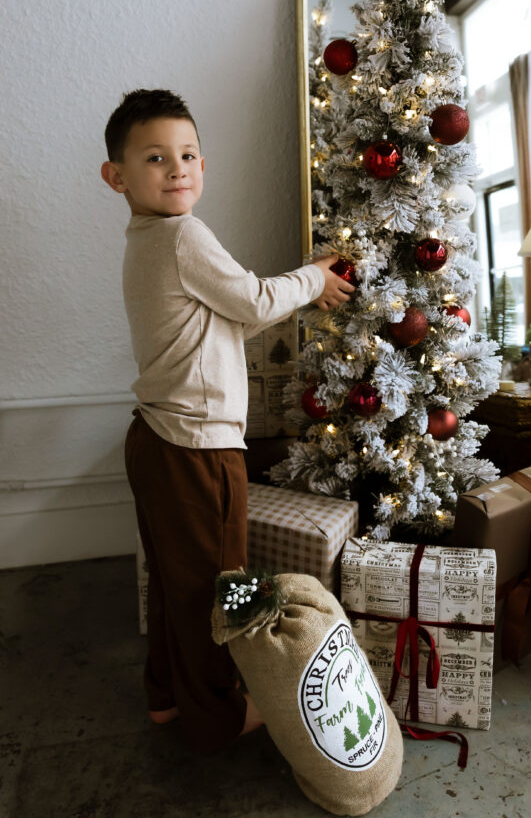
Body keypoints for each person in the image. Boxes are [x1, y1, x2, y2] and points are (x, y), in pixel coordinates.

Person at [101, 88, 354, 753]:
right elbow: (252, 296)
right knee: (222, 586)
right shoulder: (183, 234)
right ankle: (216, 714)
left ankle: (166, 697)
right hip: (196, 450)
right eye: (156, 157)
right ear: (117, 176)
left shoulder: (149, 238)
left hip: (154, 437)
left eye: (186, 154)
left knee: (174, 583)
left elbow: (239, 315)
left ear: (203, 166)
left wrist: (289, 293)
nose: (177, 168)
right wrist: (313, 279)